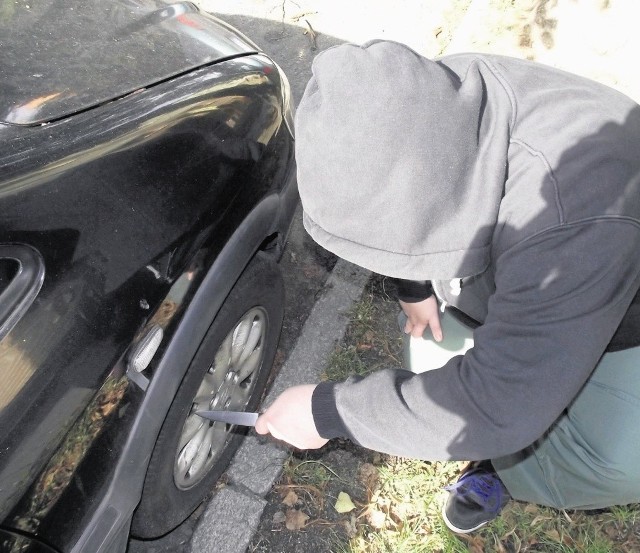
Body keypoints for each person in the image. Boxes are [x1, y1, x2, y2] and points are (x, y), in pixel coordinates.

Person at [254, 40, 640, 534]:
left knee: (616, 458)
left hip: (625, 314)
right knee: (464, 355)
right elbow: (396, 206)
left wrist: (328, 411)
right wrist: (413, 287)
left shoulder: (575, 216)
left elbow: (499, 405)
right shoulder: (430, 98)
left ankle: (508, 467)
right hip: (546, 263)